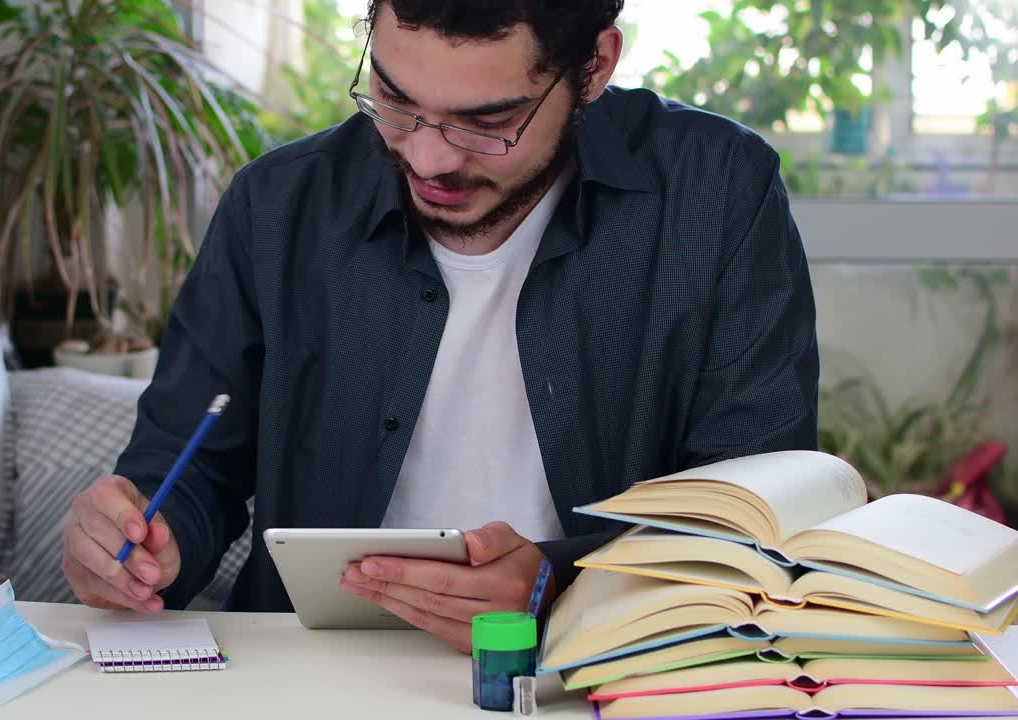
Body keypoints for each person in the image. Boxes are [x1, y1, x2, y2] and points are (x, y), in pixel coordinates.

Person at [61, 0, 819, 654]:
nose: (427, 158)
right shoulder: (277, 209)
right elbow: (191, 471)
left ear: (594, 67)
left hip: (599, 667)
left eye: (488, 122)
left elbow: (756, 509)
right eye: (394, 98)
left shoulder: (716, 197)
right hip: (306, 675)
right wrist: (139, 543)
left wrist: (564, 581)